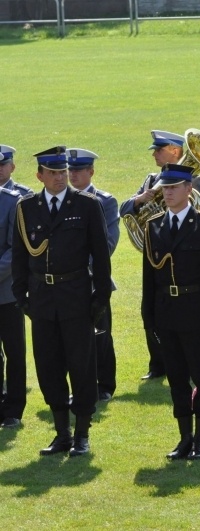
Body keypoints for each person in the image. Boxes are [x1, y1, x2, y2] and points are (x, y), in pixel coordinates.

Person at [12, 146, 112, 457]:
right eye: (53, 173)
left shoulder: (86, 205)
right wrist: (21, 296)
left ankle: (82, 434)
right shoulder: (27, 207)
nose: (59, 178)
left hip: (76, 298)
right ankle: (62, 434)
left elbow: (101, 254)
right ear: (39, 175)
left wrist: (100, 298)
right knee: (48, 367)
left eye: (63, 172)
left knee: (81, 367)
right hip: (42, 300)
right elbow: (20, 256)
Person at [141, 163, 200, 460]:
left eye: (173, 187)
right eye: (164, 188)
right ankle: (185, 438)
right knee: (177, 378)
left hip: (196, 312)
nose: (167, 193)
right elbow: (149, 277)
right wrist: (148, 318)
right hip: (167, 312)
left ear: (188, 189)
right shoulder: (153, 226)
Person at [120, 130, 185, 381]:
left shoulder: (192, 180)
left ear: (175, 151)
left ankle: (184, 362)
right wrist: (140, 200)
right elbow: (124, 209)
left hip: (181, 256)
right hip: (154, 254)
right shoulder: (150, 180)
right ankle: (157, 364)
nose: (154, 154)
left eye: (159, 150)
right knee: (151, 308)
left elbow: (199, 211)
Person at [67, 148, 120, 402]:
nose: (73, 175)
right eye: (71, 170)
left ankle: (104, 384)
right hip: (67, 282)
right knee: (70, 337)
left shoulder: (105, 201)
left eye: (79, 170)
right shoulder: (63, 200)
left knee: (101, 335)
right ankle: (78, 385)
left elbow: (107, 243)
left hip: (92, 279)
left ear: (91, 172)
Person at [0, 145, 26, 428]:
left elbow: (15, 248)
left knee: (14, 352)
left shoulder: (12, 201)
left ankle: (13, 410)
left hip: (7, 292)